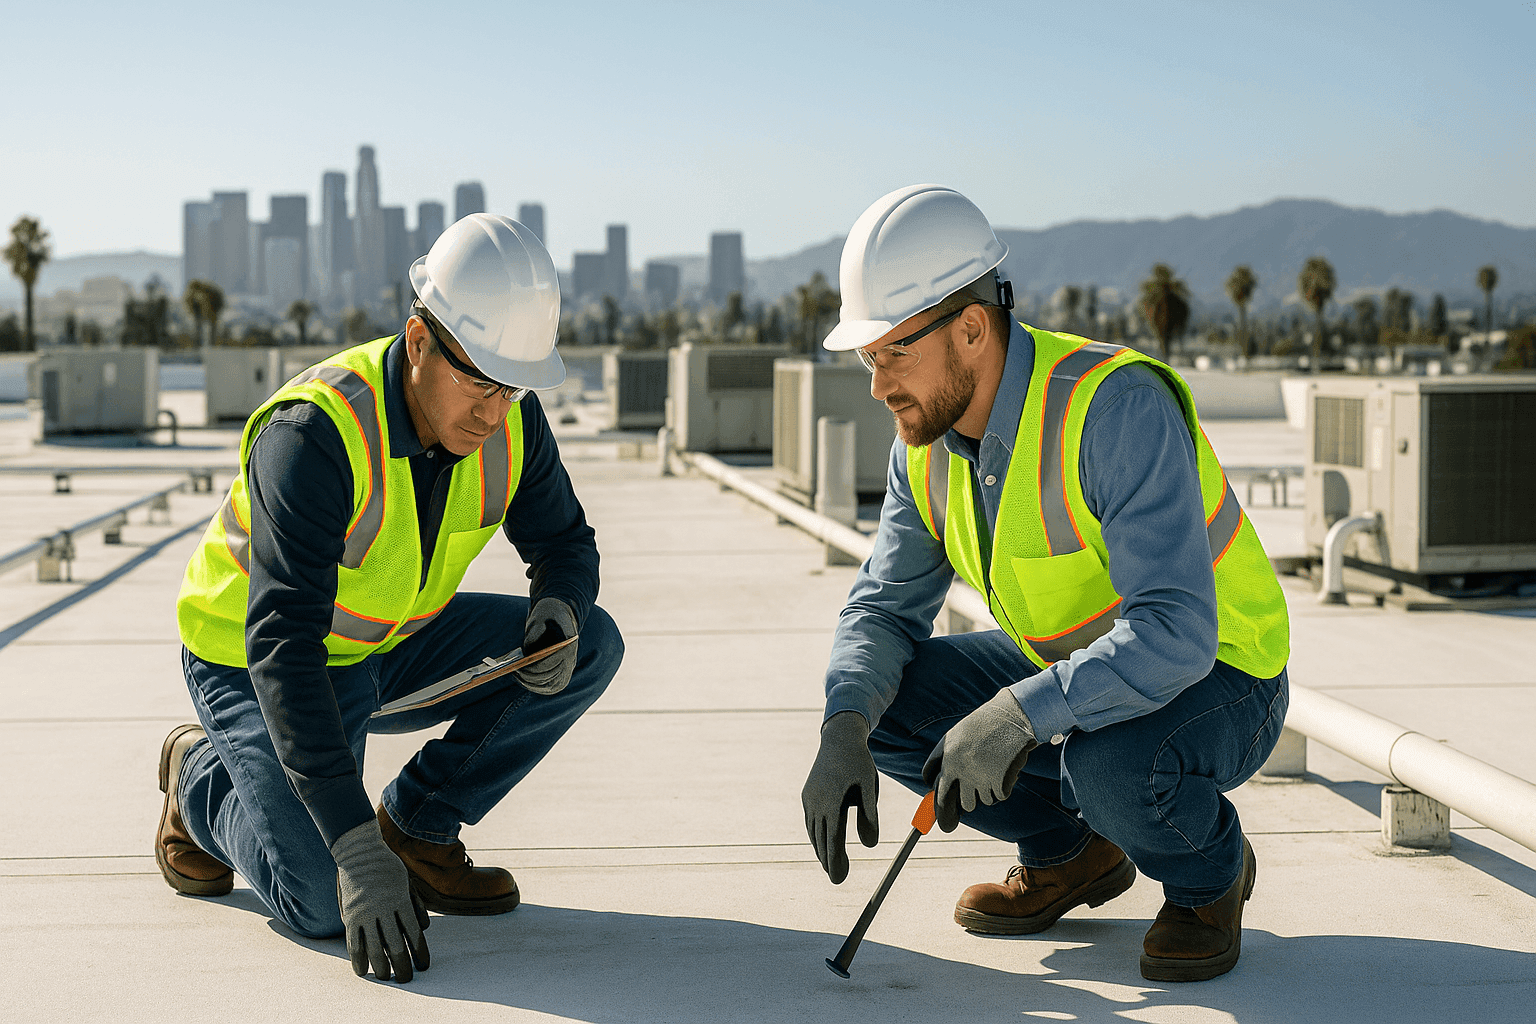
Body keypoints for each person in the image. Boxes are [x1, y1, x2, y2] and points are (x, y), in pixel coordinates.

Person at [801, 185, 1289, 982]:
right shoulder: (921, 449)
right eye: (869, 356)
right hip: (1078, 665)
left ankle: (1211, 878)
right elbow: (883, 609)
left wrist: (1021, 712)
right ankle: (1073, 853)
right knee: (888, 706)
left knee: (1109, 768)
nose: (878, 384)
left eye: (896, 352)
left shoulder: (1111, 409)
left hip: (1223, 673)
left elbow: (1175, 632)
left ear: (970, 329)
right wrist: (842, 728)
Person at [159, 213, 624, 983]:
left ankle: (418, 825)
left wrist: (560, 608)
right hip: (254, 661)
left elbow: (565, 545)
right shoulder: (315, 437)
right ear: (418, 343)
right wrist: (350, 845)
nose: (493, 409)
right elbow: (284, 650)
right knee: (320, 899)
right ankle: (197, 780)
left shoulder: (512, 420)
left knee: (592, 644)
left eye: (513, 385)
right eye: (477, 378)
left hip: (388, 646)